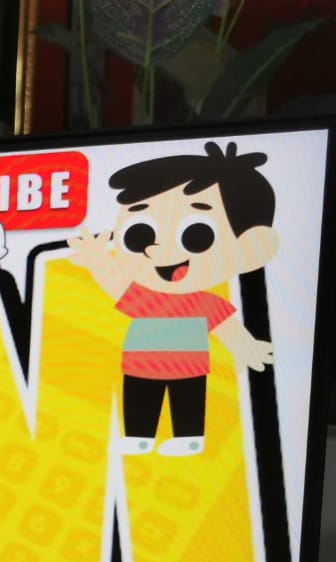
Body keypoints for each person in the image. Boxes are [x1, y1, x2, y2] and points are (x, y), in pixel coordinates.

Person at [68, 141, 278, 456]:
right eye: (139, 234)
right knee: (140, 397)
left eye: (197, 234)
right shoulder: (146, 298)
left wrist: (247, 347)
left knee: (187, 399)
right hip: (141, 366)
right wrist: (97, 261)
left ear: (250, 248)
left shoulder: (201, 303)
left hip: (188, 367)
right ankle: (139, 435)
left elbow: (225, 326)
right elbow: (116, 285)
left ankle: (189, 437)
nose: (157, 249)